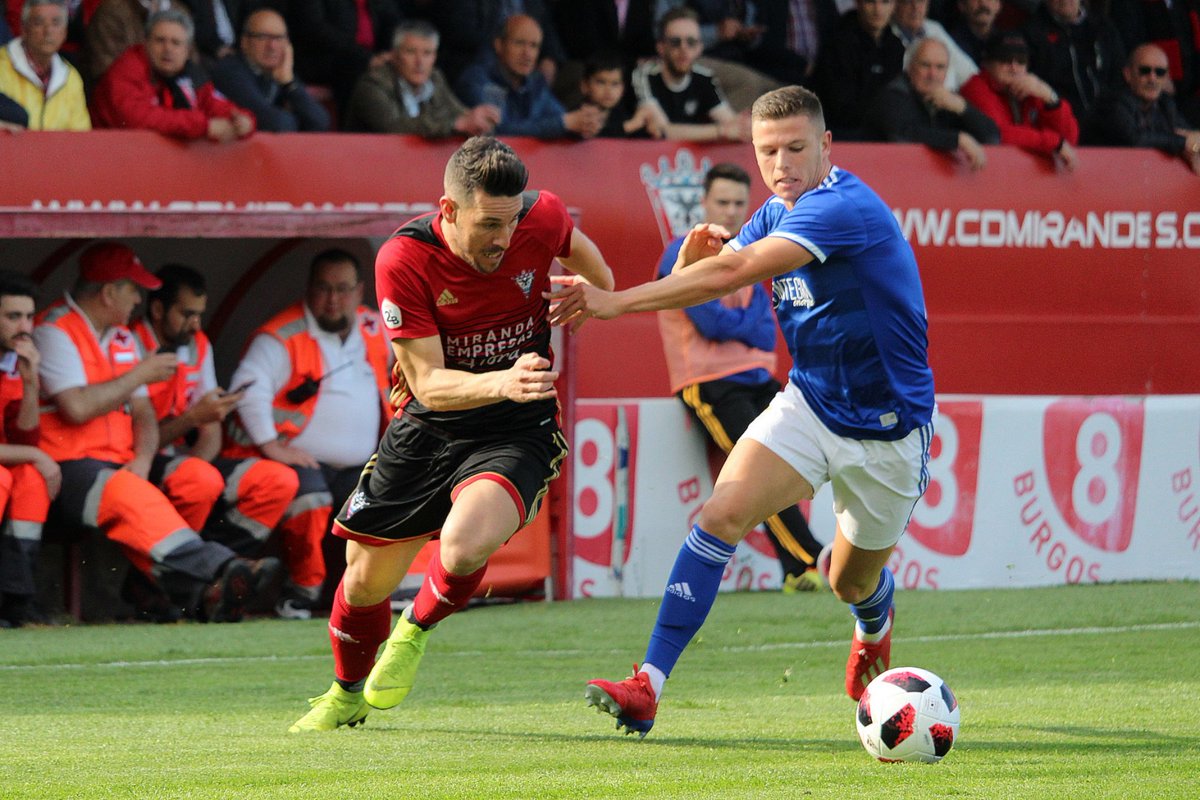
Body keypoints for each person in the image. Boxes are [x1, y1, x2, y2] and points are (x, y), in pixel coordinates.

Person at [548, 85, 935, 736]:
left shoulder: (841, 207)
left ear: (826, 146)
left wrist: (616, 302)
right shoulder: (774, 210)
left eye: (795, 148)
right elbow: (724, 263)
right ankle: (648, 685)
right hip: (811, 403)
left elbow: (739, 272)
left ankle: (876, 617)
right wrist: (704, 256)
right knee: (722, 512)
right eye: (767, 151)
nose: (781, 164)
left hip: (889, 429)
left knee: (847, 582)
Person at [287, 136, 615, 733]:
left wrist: (590, 297)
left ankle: (412, 632)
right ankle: (343, 694)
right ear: (448, 210)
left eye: (512, 222)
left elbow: (598, 270)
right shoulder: (403, 260)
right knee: (362, 582)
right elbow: (431, 385)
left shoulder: (542, 216)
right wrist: (503, 380)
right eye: (489, 224)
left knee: (464, 544)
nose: (504, 238)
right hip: (429, 425)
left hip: (518, 424)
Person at [33, 242, 278, 623]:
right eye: (134, 290)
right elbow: (76, 407)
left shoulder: (120, 337)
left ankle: (201, 593)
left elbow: (143, 413)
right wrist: (138, 376)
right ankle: (221, 568)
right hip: (66, 464)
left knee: (174, 484)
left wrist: (143, 459)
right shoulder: (54, 329)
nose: (138, 300)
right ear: (109, 292)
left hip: (120, 461)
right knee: (132, 495)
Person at [655, 162, 826, 593]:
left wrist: (735, 322)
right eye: (722, 202)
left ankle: (799, 566)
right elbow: (711, 322)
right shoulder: (678, 252)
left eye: (737, 203)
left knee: (789, 463)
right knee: (757, 474)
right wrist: (739, 324)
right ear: (704, 203)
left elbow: (765, 329)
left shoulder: (752, 252)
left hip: (756, 376)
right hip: (707, 382)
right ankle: (808, 560)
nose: (731, 211)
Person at [223, 249, 391, 619]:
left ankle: (371, 593)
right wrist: (270, 443)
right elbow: (247, 390)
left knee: (386, 500)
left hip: (359, 461)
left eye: (343, 289)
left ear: (360, 290)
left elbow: (415, 360)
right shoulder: (281, 335)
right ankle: (301, 592)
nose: (334, 300)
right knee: (310, 499)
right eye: (324, 289)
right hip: (298, 459)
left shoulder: (375, 326)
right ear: (309, 289)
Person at [130, 264, 301, 615]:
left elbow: (210, 431)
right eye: (187, 314)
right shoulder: (131, 344)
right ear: (158, 309)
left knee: (278, 480)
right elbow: (141, 437)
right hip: (137, 458)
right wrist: (193, 423)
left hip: (182, 459)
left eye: (200, 314)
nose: (196, 324)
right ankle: (166, 588)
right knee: (197, 479)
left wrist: (200, 454)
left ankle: (219, 577)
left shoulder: (198, 344)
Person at [91, 9, 256, 141]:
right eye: (160, 40)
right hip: (115, 162)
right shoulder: (127, 68)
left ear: (187, 51)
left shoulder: (191, 74)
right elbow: (138, 119)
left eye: (176, 43)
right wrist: (204, 126)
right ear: (146, 43)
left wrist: (243, 122)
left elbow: (216, 104)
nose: (168, 49)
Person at [0, 271, 58, 627]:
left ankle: (17, 600)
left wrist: (31, 381)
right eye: (12, 317)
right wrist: (37, 456)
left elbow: (25, 441)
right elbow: (32, 451)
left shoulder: (13, 364)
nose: (24, 327)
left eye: (29, 316)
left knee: (31, 481)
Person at [455, 14, 603, 140]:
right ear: (499, 45)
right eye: (519, 43)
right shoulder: (478, 80)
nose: (527, 54)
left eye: (534, 46)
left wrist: (583, 124)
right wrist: (563, 124)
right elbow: (500, 131)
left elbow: (561, 117)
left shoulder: (536, 82)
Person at [343, 19, 500, 137]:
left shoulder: (435, 79)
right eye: (411, 52)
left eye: (427, 53)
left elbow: (458, 113)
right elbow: (394, 127)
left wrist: (478, 120)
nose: (419, 62)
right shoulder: (372, 84)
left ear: (435, 57)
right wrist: (455, 124)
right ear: (394, 55)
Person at [864, 37, 999, 169]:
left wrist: (963, 108)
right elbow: (902, 134)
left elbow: (991, 136)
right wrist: (957, 139)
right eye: (925, 65)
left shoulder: (949, 102)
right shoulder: (893, 95)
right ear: (910, 68)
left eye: (940, 67)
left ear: (946, 73)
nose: (932, 74)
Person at [960, 30, 1080, 170]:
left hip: (1025, 174)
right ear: (987, 63)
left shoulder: (1031, 88)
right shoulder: (975, 87)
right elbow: (998, 134)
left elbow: (1070, 138)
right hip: (983, 171)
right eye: (1005, 60)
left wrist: (1051, 99)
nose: (1014, 67)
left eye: (1021, 61)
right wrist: (1052, 142)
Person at [630, 7, 751, 142]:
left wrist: (743, 126)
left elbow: (731, 123)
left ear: (700, 48)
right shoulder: (645, 75)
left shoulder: (704, 78)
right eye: (675, 42)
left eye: (691, 42)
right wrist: (720, 131)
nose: (684, 49)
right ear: (661, 47)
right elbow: (662, 131)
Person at [209, 6, 331, 133]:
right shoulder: (229, 71)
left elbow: (320, 121)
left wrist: (289, 83)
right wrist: (298, 120)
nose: (272, 46)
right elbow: (276, 123)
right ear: (245, 42)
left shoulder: (282, 72)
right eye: (262, 37)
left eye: (279, 38)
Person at [1090, 43, 1200, 174]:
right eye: (1144, 71)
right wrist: (1185, 143)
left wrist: (1192, 146)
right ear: (1128, 74)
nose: (1152, 78)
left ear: (1166, 78)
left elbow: (1187, 135)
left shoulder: (1165, 104)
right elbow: (1135, 139)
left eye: (1160, 72)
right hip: (1104, 180)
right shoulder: (1112, 104)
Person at [1022, 0, 1124, 129]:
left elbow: (1119, 76)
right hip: (1060, 124)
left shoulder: (1103, 27)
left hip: (1109, 123)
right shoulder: (1031, 33)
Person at [814, 0, 905, 140]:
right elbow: (839, 107)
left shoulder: (895, 47)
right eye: (871, 2)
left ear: (894, 5)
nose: (878, 9)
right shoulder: (837, 43)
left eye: (885, 2)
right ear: (858, 3)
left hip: (884, 134)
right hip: (841, 136)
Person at [0, 0, 90, 129]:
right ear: (24, 29)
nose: (48, 31)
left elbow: (81, 138)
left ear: (64, 32)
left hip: (57, 150)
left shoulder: (71, 77)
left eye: (56, 23)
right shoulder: (2, 65)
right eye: (38, 22)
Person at [83, 0, 181, 84]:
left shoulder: (180, 10)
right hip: (126, 92)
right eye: (160, 40)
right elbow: (109, 73)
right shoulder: (113, 10)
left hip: (165, 94)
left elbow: (192, 63)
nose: (168, 48)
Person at [890, 0, 978, 90]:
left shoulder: (934, 28)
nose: (915, 8)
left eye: (920, 2)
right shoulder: (888, 37)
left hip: (950, 97)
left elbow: (969, 72)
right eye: (908, 2)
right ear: (895, 5)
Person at [571, 50, 654, 138]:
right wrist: (630, 126)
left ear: (623, 89)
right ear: (585, 86)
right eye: (601, 82)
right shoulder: (574, 116)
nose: (608, 91)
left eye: (615, 84)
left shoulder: (623, 116)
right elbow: (593, 137)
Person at [949, 0, 1002, 67]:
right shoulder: (950, 43)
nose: (983, 3)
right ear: (961, 5)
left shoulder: (1007, 42)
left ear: (998, 5)